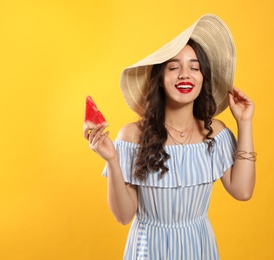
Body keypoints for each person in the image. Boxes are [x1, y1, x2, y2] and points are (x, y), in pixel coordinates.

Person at [83, 14, 256, 260]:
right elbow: (123, 216)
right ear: (160, 80)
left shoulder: (215, 133)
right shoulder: (132, 135)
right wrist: (112, 160)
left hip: (200, 248)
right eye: (174, 67)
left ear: (202, 77)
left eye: (194, 67)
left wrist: (245, 123)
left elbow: (243, 191)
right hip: (147, 250)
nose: (185, 74)